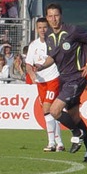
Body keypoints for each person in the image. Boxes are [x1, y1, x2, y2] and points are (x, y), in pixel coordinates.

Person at [36, 3, 87, 162]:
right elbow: (53, 57)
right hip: (63, 78)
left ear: (61, 16)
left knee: (54, 111)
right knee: (74, 117)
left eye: (56, 15)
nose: (53, 19)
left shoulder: (72, 30)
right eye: (50, 16)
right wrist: (41, 65)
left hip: (77, 77)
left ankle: (76, 133)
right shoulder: (49, 35)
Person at [25, 17, 65, 152]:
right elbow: (28, 64)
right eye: (40, 27)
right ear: (37, 29)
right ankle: (59, 143)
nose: (42, 30)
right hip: (40, 82)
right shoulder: (33, 45)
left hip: (53, 79)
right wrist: (32, 74)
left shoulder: (53, 42)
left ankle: (51, 143)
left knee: (47, 108)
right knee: (51, 112)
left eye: (45, 27)